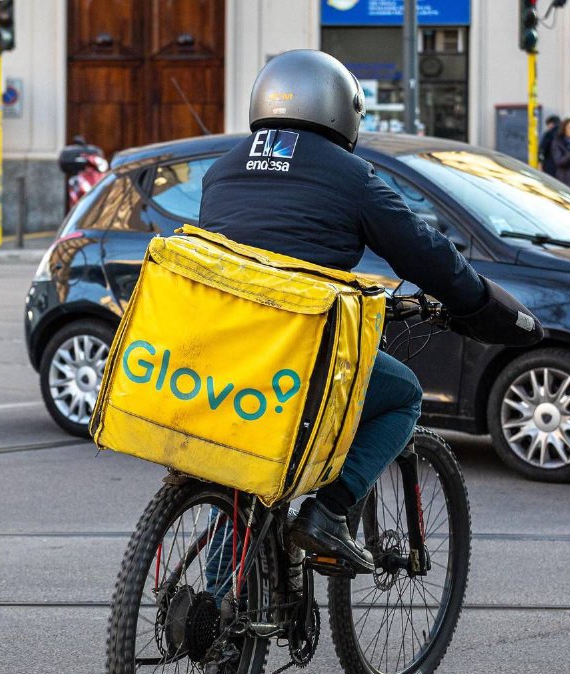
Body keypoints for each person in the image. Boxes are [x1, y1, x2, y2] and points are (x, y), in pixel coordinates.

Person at [198, 50, 543, 572]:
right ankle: (329, 512)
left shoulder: (221, 171)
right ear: (340, 108)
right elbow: (424, 253)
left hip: (224, 349)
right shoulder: (350, 176)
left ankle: (216, 606)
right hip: (299, 352)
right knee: (402, 395)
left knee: (238, 474)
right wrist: (480, 305)